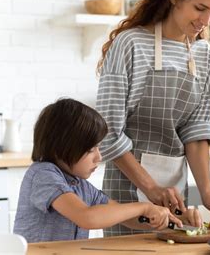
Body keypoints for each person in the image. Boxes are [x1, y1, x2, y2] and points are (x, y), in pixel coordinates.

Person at [95, 0, 210, 236]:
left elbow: (195, 129)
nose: (206, 21)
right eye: (200, 8)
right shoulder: (131, 44)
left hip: (175, 194)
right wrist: (150, 187)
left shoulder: (204, 54)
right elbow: (108, 131)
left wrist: (207, 193)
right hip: (128, 191)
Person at [13, 98, 198, 243]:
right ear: (61, 147)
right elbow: (87, 218)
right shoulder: (43, 175)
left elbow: (121, 215)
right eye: (90, 150)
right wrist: (145, 206)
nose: (99, 157)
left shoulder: (81, 186)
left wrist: (174, 218)